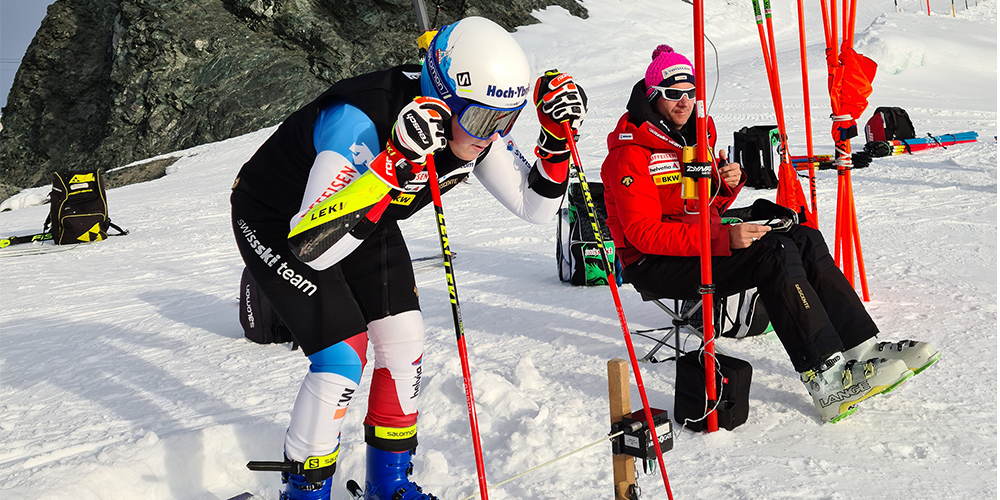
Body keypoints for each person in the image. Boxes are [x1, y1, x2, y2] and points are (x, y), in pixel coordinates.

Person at [230, 17, 587, 500]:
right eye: (484, 120)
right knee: (341, 357)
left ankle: (388, 485)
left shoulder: (471, 122)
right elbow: (314, 248)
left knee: (403, 340)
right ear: (445, 100)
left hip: (363, 213)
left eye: (508, 120)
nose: (492, 135)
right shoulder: (359, 121)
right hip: (283, 219)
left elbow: (535, 207)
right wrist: (394, 161)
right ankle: (303, 494)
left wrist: (555, 141)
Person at [599, 45, 939, 424]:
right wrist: (724, 240)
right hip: (655, 263)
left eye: (690, 92)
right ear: (652, 96)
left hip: (695, 243)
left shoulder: (689, 140)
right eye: (673, 93)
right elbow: (645, 235)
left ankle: (861, 348)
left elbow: (697, 208)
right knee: (771, 252)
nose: (685, 102)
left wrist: (725, 185)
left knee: (802, 237)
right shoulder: (630, 155)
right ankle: (826, 378)